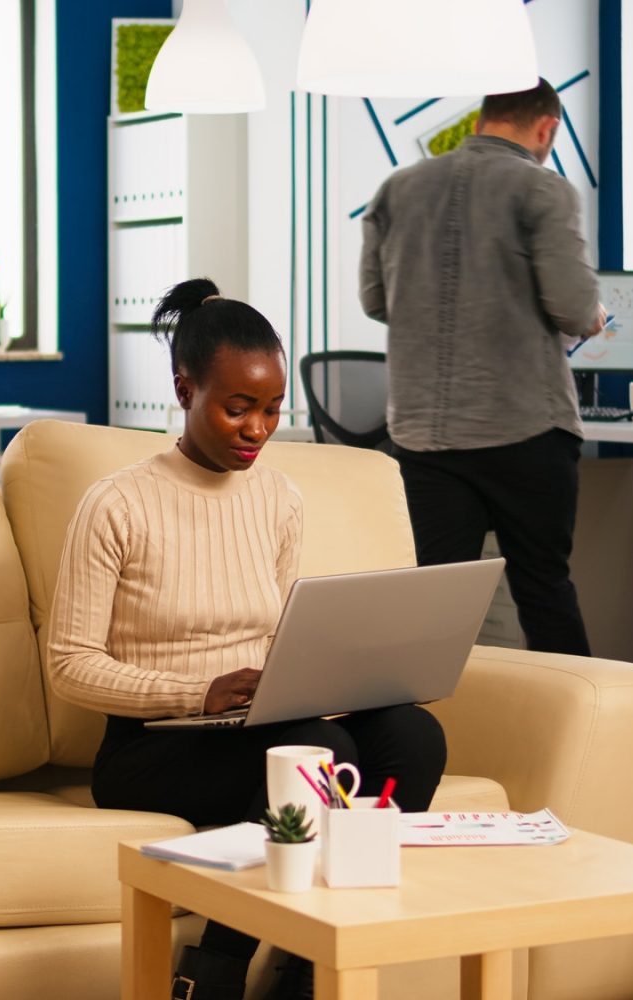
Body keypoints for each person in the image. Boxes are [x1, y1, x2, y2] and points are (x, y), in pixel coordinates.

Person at [48, 277, 447, 1000]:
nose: (257, 430)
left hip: (253, 726)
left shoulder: (278, 498)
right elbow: (69, 667)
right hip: (152, 745)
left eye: (270, 410)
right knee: (321, 757)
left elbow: (275, 632)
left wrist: (326, 676)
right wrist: (195, 692)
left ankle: (307, 967)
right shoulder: (116, 504)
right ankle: (217, 971)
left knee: (411, 736)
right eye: (237, 409)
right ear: (184, 390)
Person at [359, 78, 607, 657]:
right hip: (524, 429)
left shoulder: (397, 189)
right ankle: (580, 741)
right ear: (546, 127)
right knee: (542, 590)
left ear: (482, 117)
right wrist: (595, 317)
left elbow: (376, 301)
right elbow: (574, 308)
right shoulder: (543, 191)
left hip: (423, 438)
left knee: (432, 604)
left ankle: (421, 738)